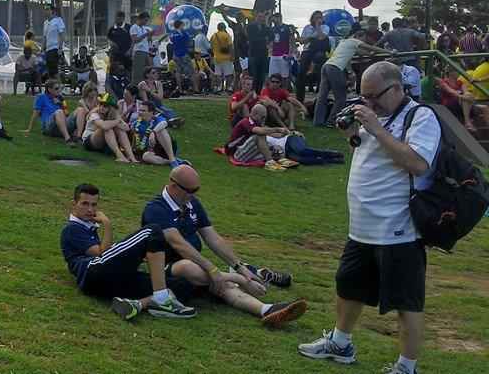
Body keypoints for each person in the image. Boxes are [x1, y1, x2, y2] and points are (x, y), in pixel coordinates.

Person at [299, 62, 441, 374]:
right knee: (348, 286)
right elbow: (372, 154)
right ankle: (340, 343)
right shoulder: (376, 114)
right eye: (363, 96)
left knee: (406, 301)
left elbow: (417, 163)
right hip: (362, 226)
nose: (368, 103)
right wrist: (353, 135)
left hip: (398, 228)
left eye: (374, 96)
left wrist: (375, 127)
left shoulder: (421, 117)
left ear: (397, 88)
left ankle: (406, 367)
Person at [141, 165, 308, 327]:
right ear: (173, 186)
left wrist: (238, 265)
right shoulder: (156, 209)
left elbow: (213, 238)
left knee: (223, 287)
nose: (193, 196)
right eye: (190, 191)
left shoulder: (192, 204)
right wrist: (217, 271)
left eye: (196, 190)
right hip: (165, 269)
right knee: (190, 268)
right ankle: (240, 277)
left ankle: (266, 310)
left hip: (199, 267)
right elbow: (180, 245)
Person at [61, 183, 196, 320]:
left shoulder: (88, 227)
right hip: (92, 274)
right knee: (152, 231)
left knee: (182, 285)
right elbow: (101, 253)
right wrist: (107, 224)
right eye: (85, 204)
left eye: (94, 205)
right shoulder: (72, 229)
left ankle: (138, 304)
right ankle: (161, 299)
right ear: (74, 204)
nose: (90, 209)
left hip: (110, 282)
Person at [313, 24, 389, 127]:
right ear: (359, 36)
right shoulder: (355, 41)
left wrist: (369, 54)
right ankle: (331, 121)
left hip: (326, 66)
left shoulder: (343, 42)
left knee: (322, 96)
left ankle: (318, 121)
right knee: (340, 97)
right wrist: (389, 52)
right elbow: (371, 48)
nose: (364, 41)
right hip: (335, 68)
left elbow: (363, 53)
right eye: (363, 38)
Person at [226, 103, 298, 172]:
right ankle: (270, 162)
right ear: (255, 114)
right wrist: (277, 129)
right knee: (259, 135)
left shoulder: (257, 123)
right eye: (262, 117)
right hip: (237, 153)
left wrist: (286, 133)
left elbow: (273, 134)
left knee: (276, 147)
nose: (264, 119)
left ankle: (281, 159)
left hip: (246, 151)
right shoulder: (246, 121)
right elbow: (260, 131)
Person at [82, 92, 138, 164]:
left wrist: (116, 122)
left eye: (105, 106)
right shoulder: (94, 114)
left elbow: (127, 128)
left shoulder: (114, 115)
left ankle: (131, 157)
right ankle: (120, 156)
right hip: (90, 141)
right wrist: (117, 121)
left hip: (106, 142)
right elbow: (104, 126)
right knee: (108, 129)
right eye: (100, 104)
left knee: (119, 130)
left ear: (110, 108)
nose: (101, 107)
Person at [23, 80, 75, 145]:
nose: (59, 90)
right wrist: (29, 129)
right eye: (56, 88)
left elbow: (67, 114)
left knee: (80, 110)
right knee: (59, 112)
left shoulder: (60, 99)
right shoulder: (41, 97)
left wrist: (61, 103)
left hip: (61, 125)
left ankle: (79, 137)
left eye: (59, 88)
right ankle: (68, 139)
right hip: (48, 126)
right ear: (49, 89)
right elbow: (35, 113)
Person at [131, 101, 183, 166]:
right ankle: (172, 162)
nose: (140, 113)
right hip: (152, 150)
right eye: (140, 110)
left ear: (151, 112)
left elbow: (164, 123)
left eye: (143, 111)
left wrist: (153, 132)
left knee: (161, 130)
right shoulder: (136, 123)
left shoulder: (157, 119)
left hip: (165, 148)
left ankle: (172, 159)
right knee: (145, 157)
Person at [296, 11, 331, 102]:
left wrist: (318, 26)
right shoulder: (307, 27)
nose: (318, 19)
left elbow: (322, 37)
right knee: (301, 74)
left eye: (320, 17)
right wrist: (311, 37)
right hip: (307, 51)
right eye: (316, 18)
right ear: (312, 18)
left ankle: (320, 98)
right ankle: (299, 98)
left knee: (320, 73)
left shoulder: (325, 27)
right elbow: (302, 41)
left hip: (318, 52)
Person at [169, 21, 198, 94]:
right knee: (192, 72)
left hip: (175, 55)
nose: (183, 27)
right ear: (180, 25)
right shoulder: (184, 33)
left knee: (178, 72)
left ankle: (180, 89)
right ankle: (196, 89)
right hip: (184, 54)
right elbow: (189, 42)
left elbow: (172, 42)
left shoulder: (172, 34)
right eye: (183, 25)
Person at [246, 11, 271, 92]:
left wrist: (266, 23)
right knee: (254, 74)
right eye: (259, 17)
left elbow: (271, 36)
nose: (261, 19)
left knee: (261, 75)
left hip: (263, 54)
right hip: (254, 53)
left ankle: (259, 92)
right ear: (256, 17)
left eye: (262, 17)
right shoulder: (250, 27)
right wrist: (264, 39)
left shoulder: (265, 27)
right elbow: (252, 38)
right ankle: (252, 92)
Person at [268, 12, 294, 84]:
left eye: (275, 18)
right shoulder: (272, 29)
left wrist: (290, 53)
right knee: (272, 75)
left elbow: (291, 40)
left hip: (284, 55)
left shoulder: (286, 27)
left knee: (284, 76)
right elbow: (270, 42)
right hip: (274, 54)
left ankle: (284, 92)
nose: (274, 20)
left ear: (279, 18)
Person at [210, 22, 234, 93]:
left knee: (218, 74)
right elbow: (230, 46)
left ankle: (219, 87)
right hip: (227, 58)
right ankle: (228, 88)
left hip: (217, 58)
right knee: (228, 74)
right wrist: (232, 56)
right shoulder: (227, 35)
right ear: (224, 27)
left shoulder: (213, 36)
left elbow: (211, 46)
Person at [129, 12, 153, 85]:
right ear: (140, 19)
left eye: (147, 20)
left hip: (146, 51)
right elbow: (135, 40)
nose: (146, 22)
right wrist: (145, 34)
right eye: (145, 20)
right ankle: (135, 87)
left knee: (148, 70)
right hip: (138, 51)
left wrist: (150, 36)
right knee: (138, 72)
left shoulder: (144, 28)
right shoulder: (134, 27)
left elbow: (148, 40)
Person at [44, 6, 66, 80]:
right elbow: (45, 37)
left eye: (47, 9)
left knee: (55, 70)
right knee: (49, 71)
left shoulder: (58, 20)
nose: (46, 11)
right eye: (45, 10)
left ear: (52, 11)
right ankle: (51, 88)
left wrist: (60, 48)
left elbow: (62, 34)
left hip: (55, 48)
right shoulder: (46, 22)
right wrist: (42, 49)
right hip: (48, 49)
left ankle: (59, 86)